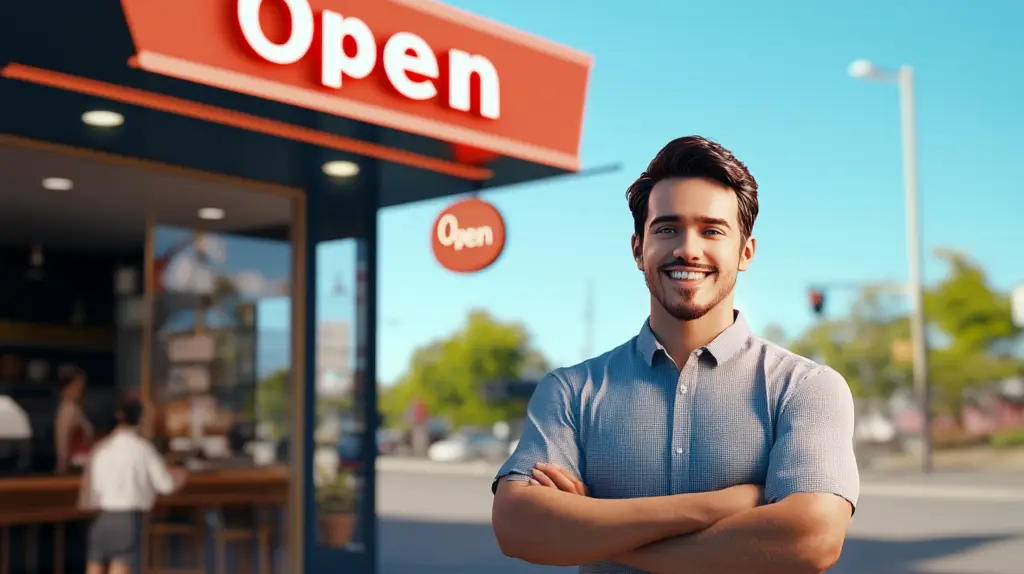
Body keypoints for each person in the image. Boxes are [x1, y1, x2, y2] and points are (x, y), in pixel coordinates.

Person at [491, 136, 859, 574]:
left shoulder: (804, 388)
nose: (688, 248)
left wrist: (592, 531)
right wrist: (722, 505)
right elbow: (517, 525)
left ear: (745, 252)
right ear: (637, 249)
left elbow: (810, 540)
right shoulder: (572, 391)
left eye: (712, 230)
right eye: (667, 228)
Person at [78, 398, 187, 574]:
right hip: (127, 519)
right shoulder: (143, 449)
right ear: (141, 420)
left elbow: (94, 488)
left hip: (101, 518)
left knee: (94, 564)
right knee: (120, 566)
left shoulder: (101, 448)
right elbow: (165, 486)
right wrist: (180, 476)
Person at [55, 367, 94, 474]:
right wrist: (63, 468)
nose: (81, 387)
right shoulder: (67, 409)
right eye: (78, 384)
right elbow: (63, 443)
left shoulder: (76, 408)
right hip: (74, 467)